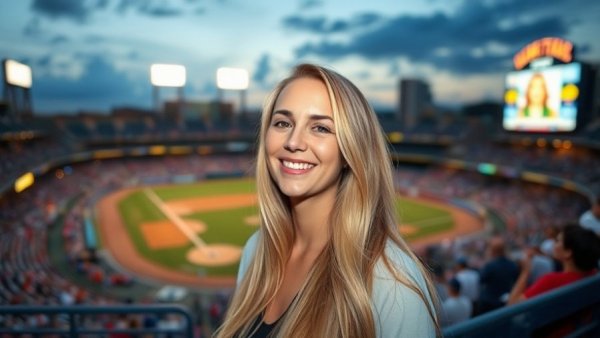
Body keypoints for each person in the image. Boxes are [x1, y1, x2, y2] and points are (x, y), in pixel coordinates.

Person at [215, 64, 439, 338]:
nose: (294, 142)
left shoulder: (392, 285)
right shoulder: (256, 251)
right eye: (283, 123)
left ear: (350, 151)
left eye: (320, 128)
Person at [507, 224, 600, 305]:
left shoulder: (551, 281)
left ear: (568, 252)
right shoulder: (594, 274)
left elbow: (512, 304)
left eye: (557, 241)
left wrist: (525, 271)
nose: (553, 245)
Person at [477, 237, 519, 315]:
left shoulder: (490, 266)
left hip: (491, 305)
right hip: (507, 301)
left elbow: (481, 279)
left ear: (493, 251)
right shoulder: (512, 264)